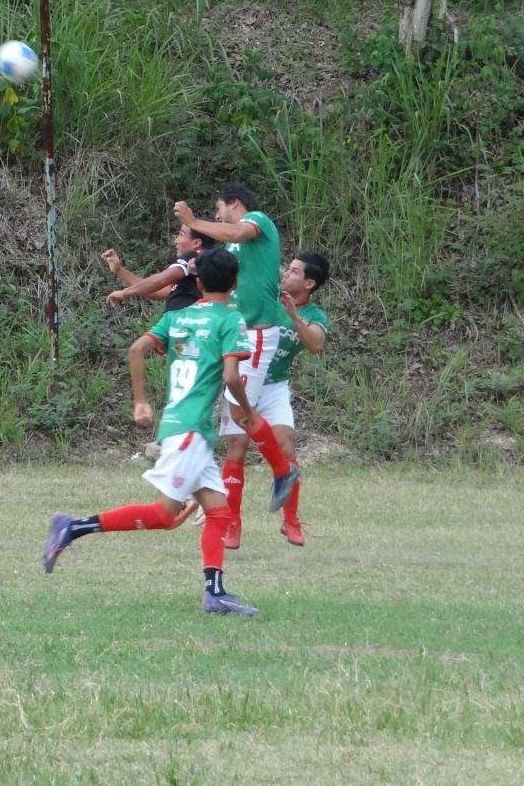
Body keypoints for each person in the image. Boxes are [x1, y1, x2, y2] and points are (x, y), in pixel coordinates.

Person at [43, 248, 260, 616]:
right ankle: (73, 527)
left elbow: (138, 348)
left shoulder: (177, 316)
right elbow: (229, 377)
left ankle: (215, 594)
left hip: (183, 426)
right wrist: (248, 413)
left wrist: (141, 401)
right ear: (236, 283)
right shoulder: (232, 319)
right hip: (191, 430)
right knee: (163, 514)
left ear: (200, 282)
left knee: (219, 513)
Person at [173, 184, 297, 549]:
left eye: (219, 210)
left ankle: (280, 473)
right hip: (239, 337)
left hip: (258, 336)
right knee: (234, 434)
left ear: (235, 204)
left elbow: (237, 230)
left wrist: (195, 221)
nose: (218, 217)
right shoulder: (232, 247)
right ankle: (232, 522)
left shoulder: (258, 222)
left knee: (239, 424)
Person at [266, 253, 331, 547]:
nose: (285, 274)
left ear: (309, 283)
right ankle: (230, 523)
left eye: (293, 272)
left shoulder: (314, 315)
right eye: (286, 269)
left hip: (274, 386)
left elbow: (315, 344)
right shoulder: (266, 294)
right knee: (236, 450)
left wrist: (293, 315)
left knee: (286, 447)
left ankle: (291, 522)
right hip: (243, 379)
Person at [101, 223, 219, 312]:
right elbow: (156, 292)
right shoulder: (199, 265)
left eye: (181, 234)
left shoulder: (197, 255)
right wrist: (119, 270)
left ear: (196, 243)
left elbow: (159, 281)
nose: (176, 240)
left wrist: (125, 292)